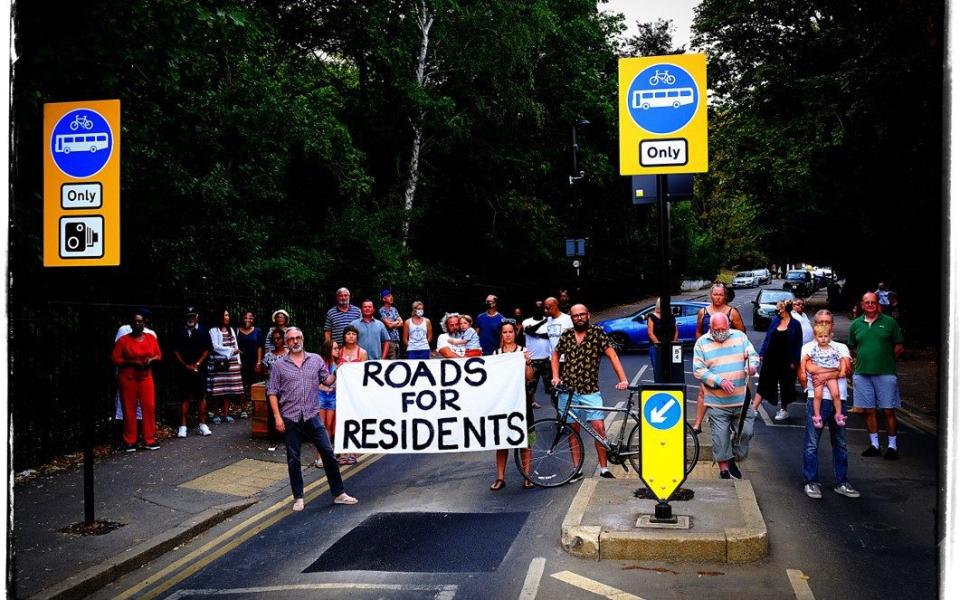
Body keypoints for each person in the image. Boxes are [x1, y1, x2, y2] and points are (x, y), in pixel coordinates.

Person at [267, 327, 358, 511]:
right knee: (293, 458)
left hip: (312, 415)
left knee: (328, 453)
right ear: (286, 342)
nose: (295, 341)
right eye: (291, 339)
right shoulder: (279, 365)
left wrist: (339, 370)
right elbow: (272, 392)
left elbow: (327, 381)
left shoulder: (315, 360)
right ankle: (298, 497)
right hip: (291, 417)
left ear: (303, 339)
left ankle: (339, 493)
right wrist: (277, 417)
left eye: (298, 337)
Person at [551, 304, 630, 481]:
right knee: (573, 431)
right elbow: (555, 354)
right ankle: (576, 469)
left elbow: (612, 355)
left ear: (588, 315)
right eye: (575, 315)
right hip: (568, 391)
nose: (579, 318)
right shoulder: (566, 335)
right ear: (571, 318)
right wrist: (556, 376)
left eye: (582, 315)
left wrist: (623, 379)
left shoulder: (597, 333)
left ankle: (603, 468)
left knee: (599, 429)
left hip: (590, 390)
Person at [692, 312, 760, 480]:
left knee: (746, 433)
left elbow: (753, 356)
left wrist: (752, 366)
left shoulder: (740, 337)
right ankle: (724, 471)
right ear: (710, 328)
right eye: (717, 329)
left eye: (724, 328)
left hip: (741, 401)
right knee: (720, 438)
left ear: (729, 325)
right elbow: (698, 370)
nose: (721, 332)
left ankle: (730, 459)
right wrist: (719, 381)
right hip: (717, 402)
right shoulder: (702, 343)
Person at [800, 310, 860, 499]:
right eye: (820, 322)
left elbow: (847, 370)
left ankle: (842, 482)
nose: (824, 324)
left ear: (832, 325)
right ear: (815, 325)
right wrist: (833, 370)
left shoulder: (840, 347)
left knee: (840, 443)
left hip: (838, 399)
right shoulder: (808, 347)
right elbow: (807, 371)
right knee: (811, 443)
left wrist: (824, 374)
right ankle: (811, 481)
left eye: (828, 321)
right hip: (816, 398)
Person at [849, 291, 905, 459]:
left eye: (873, 302)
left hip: (885, 374)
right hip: (862, 374)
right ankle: (874, 444)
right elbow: (853, 347)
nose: (871, 305)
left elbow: (899, 346)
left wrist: (886, 359)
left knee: (888, 410)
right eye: (867, 302)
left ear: (878, 304)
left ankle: (892, 446)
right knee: (869, 410)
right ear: (862, 304)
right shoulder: (856, 324)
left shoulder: (890, 323)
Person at [693, 283, 746, 431]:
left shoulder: (732, 312)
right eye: (715, 294)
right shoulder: (703, 312)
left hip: (728, 357)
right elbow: (698, 332)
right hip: (709, 356)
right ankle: (697, 424)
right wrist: (698, 351)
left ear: (725, 296)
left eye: (721, 295)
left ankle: (727, 421)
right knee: (703, 390)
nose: (718, 297)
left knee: (727, 389)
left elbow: (742, 333)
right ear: (711, 295)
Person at [489, 320, 535, 491]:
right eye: (504, 332)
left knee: (527, 439)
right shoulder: (496, 354)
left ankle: (527, 475)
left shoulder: (523, 352)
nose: (508, 335)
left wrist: (528, 362)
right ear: (501, 334)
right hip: (503, 402)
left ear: (515, 333)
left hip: (521, 400)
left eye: (510, 332)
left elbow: (529, 377)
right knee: (502, 440)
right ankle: (500, 477)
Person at [111, 310, 163, 452]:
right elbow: (115, 358)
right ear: (131, 324)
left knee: (149, 407)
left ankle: (149, 439)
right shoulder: (123, 340)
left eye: (140, 321)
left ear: (144, 323)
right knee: (129, 409)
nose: (137, 323)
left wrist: (150, 359)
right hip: (128, 377)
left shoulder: (150, 338)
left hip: (146, 376)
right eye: (135, 321)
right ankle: (130, 440)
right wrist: (131, 362)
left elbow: (159, 355)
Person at [755, 300, 802, 423]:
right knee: (764, 382)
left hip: (787, 360)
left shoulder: (795, 325)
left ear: (785, 309)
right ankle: (753, 408)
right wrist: (762, 353)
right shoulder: (775, 321)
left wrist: (795, 361)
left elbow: (798, 344)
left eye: (779, 308)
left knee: (786, 385)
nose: (777, 311)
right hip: (771, 358)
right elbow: (767, 338)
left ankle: (784, 410)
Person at [172, 307, 211, 438]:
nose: (191, 319)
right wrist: (185, 365)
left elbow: (207, 349)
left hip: (200, 369)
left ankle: (203, 425)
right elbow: (176, 351)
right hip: (184, 369)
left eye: (193, 316)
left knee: (201, 396)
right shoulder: (180, 331)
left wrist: (197, 364)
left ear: (197, 317)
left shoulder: (204, 331)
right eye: (188, 316)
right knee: (185, 397)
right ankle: (183, 426)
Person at [804, 323, 847, 429]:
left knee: (836, 394)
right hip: (819, 377)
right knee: (818, 396)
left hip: (831, 377)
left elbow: (842, 359)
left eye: (825, 336)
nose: (823, 339)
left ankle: (838, 415)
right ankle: (817, 416)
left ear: (830, 337)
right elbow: (805, 359)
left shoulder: (834, 349)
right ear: (815, 337)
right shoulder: (814, 349)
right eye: (820, 336)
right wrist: (802, 372)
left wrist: (842, 370)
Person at [208, 309, 244, 424]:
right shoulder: (213, 330)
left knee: (228, 390)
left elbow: (235, 344)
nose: (228, 317)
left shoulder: (231, 330)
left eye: (228, 315)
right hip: (219, 364)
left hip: (232, 363)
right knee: (218, 390)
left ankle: (226, 414)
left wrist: (238, 361)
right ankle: (216, 414)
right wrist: (231, 350)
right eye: (226, 315)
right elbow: (215, 346)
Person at [522, 300, 551, 409]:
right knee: (530, 385)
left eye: (541, 307)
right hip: (532, 358)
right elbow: (529, 331)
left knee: (551, 385)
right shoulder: (526, 321)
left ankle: (557, 407)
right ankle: (532, 402)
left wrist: (537, 334)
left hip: (547, 358)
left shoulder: (550, 321)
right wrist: (542, 325)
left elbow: (549, 335)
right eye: (537, 307)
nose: (539, 310)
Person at [236, 310, 263, 418]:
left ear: (253, 319)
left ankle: (255, 409)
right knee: (241, 385)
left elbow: (259, 347)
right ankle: (243, 410)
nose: (248, 319)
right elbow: (234, 345)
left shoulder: (257, 331)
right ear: (242, 318)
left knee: (254, 385)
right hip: (241, 362)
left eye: (250, 317)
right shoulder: (237, 330)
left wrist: (259, 362)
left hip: (254, 361)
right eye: (246, 317)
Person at [646, 298, 678, 383]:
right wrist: (658, 344)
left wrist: (673, 344)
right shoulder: (652, 316)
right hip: (656, 347)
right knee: (658, 370)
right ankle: (659, 388)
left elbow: (676, 331)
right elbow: (650, 333)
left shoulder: (671, 316)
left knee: (671, 369)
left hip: (670, 346)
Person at [378, 289, 403, 359]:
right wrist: (396, 322)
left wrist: (393, 323)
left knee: (398, 362)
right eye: (389, 296)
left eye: (391, 295)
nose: (391, 297)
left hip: (397, 341)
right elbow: (389, 326)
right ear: (384, 299)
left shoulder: (394, 309)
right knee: (391, 362)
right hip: (389, 342)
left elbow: (401, 323)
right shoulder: (382, 310)